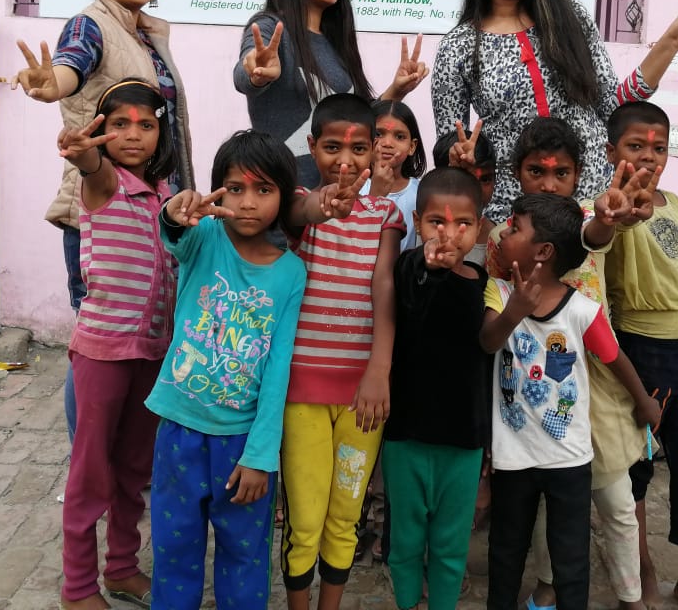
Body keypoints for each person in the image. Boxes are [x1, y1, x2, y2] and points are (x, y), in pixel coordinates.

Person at [14, 0, 195, 439]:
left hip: (154, 212)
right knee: (96, 345)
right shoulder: (90, 26)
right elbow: (70, 66)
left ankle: (127, 458)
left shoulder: (146, 34)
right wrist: (53, 83)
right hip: (105, 211)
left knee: (146, 338)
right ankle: (87, 457)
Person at [431, 0, 678, 223]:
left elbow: (612, 106)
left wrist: (670, 43)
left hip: (592, 207)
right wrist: (459, 153)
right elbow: (449, 144)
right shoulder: (458, 46)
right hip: (513, 215)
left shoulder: (571, 19)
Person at [485, 117, 655, 610]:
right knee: (540, 514)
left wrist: (606, 217)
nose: (548, 183)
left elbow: (591, 235)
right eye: (536, 172)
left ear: (578, 175)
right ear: (518, 173)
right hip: (529, 393)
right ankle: (547, 586)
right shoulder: (507, 235)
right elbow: (495, 316)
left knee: (615, 496)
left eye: (561, 173)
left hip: (596, 381)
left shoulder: (587, 217)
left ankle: (632, 592)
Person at [144, 131, 309, 610]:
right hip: (180, 428)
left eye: (263, 189)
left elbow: (277, 371)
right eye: (235, 188)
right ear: (218, 192)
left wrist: (260, 456)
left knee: (244, 555)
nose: (248, 202)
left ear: (284, 195)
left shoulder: (290, 273)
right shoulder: (204, 238)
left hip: (241, 443)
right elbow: (173, 230)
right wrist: (175, 211)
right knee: (174, 549)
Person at [55, 79, 178, 610]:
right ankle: (78, 587)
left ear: (160, 134)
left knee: (133, 468)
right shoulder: (105, 184)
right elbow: (91, 166)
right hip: (103, 352)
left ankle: (123, 568)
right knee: (90, 471)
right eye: (120, 124)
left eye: (146, 125)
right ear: (102, 132)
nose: (133, 134)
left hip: (152, 354)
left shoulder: (167, 197)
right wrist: (84, 153)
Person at [279, 93, 403, 610]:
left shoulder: (385, 215)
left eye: (358, 148)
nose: (345, 160)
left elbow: (384, 285)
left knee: (345, 515)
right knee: (305, 521)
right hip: (302, 395)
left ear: (375, 148)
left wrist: (379, 370)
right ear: (312, 146)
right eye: (333, 147)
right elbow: (301, 210)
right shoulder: (299, 203)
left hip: (362, 399)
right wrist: (323, 205)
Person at [604, 101, 678, 610]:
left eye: (658, 148)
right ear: (612, 151)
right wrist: (619, 215)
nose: (649, 157)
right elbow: (607, 235)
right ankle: (642, 571)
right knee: (636, 471)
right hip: (642, 349)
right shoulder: (612, 207)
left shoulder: (674, 204)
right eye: (635, 146)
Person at [233, 0, 428, 187]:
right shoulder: (271, 27)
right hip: (285, 195)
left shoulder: (337, 42)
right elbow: (244, 75)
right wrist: (255, 73)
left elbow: (351, 120)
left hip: (339, 198)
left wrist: (397, 90)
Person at [381, 168, 489, 610]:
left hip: (463, 442)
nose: (449, 233)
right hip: (406, 436)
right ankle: (408, 603)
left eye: (463, 223)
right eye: (436, 222)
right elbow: (414, 285)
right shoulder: (409, 268)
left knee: (450, 545)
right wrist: (427, 265)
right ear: (417, 222)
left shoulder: (482, 284)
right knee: (405, 542)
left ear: (478, 227)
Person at [365, 99, 428, 250]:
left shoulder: (421, 193)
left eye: (399, 137)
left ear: (411, 146)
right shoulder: (354, 187)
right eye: (378, 134)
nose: (387, 143)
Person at [433, 123, 498, 265]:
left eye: (485, 179)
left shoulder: (499, 238)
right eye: (465, 179)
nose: (476, 189)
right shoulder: (429, 228)